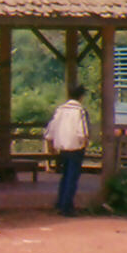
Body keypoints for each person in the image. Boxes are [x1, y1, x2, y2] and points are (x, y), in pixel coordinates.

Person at [44, 85, 91, 216]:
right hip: (76, 147)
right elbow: (83, 132)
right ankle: (66, 207)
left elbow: (50, 129)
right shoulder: (80, 111)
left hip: (62, 147)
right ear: (81, 97)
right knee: (72, 176)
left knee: (65, 175)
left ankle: (61, 202)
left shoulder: (60, 110)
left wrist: (52, 144)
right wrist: (85, 143)